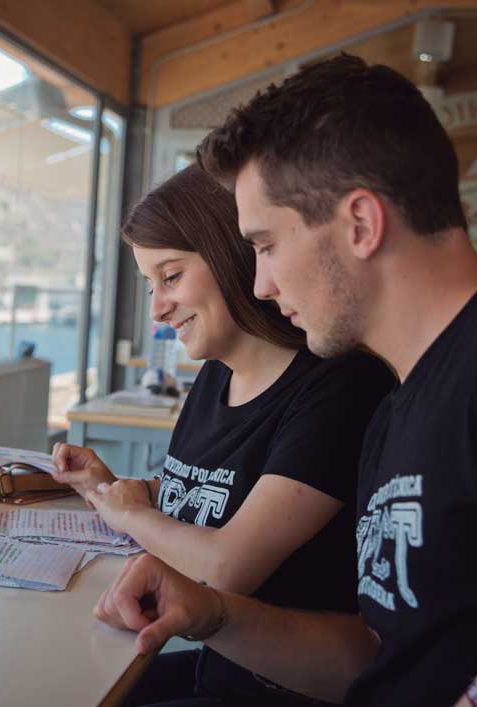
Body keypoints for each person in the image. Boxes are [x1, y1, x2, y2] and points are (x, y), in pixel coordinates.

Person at [93, 54, 477, 707]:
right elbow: (377, 659)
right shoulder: (392, 409)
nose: (262, 283)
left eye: (266, 245)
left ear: (360, 223)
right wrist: (213, 613)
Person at [53, 164, 394, 706]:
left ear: (232, 256)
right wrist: (109, 486)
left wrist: (127, 513)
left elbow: (225, 565)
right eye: (150, 285)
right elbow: (201, 496)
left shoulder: (339, 387)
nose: (158, 309)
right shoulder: (217, 376)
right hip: (218, 668)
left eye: (171, 277)